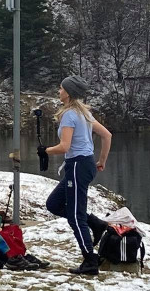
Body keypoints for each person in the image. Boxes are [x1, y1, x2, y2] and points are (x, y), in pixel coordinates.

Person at [39, 75, 113, 275]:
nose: (58, 91)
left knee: (74, 216)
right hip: (85, 165)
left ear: (69, 93)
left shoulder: (71, 115)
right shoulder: (84, 114)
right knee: (53, 204)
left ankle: (90, 261)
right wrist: (101, 162)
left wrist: (45, 150)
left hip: (77, 166)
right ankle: (96, 224)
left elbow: (65, 146)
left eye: (61, 89)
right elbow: (107, 136)